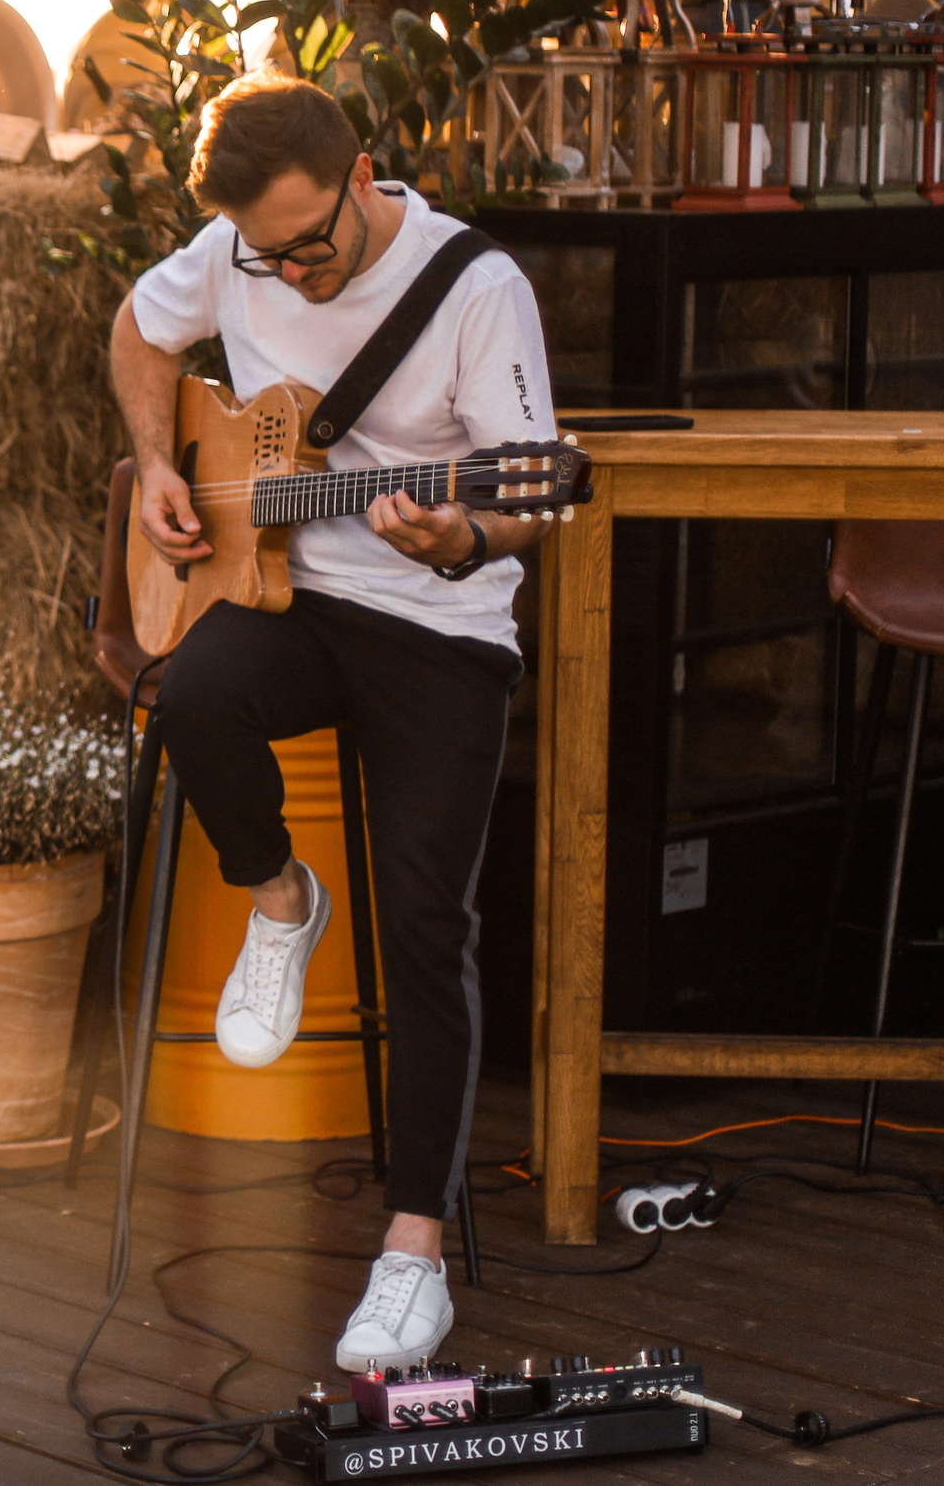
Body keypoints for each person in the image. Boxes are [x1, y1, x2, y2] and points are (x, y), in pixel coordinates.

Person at [109, 71, 557, 1373]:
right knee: (189, 695)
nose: (296, 273)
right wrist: (156, 462)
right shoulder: (233, 253)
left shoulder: (477, 288)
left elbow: (527, 494)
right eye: (272, 254)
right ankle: (279, 897)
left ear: (362, 176)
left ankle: (411, 1257)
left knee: (425, 919)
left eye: (317, 241)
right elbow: (141, 333)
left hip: (439, 625)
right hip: (284, 591)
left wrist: (462, 526)